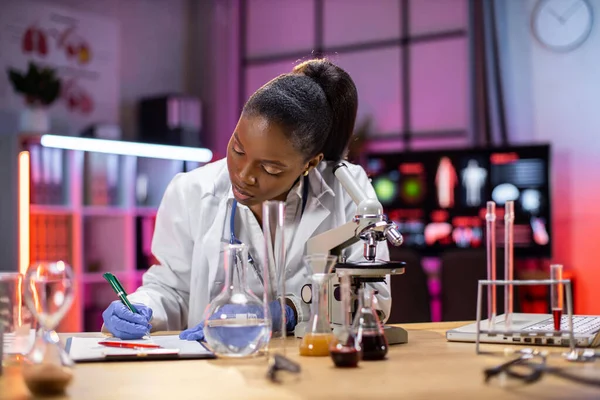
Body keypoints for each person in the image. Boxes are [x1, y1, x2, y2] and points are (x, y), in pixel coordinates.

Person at [101, 59, 391, 340]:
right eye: (238, 149)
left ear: (310, 163)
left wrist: (289, 312)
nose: (244, 175)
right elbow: (174, 289)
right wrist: (144, 307)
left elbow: (376, 300)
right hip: (217, 374)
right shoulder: (190, 191)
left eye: (269, 168)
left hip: (315, 373)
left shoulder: (348, 189)